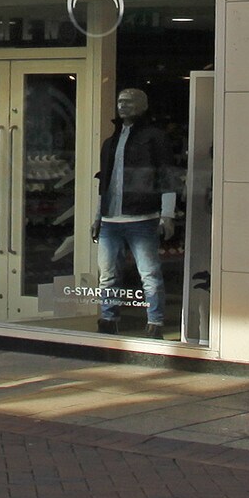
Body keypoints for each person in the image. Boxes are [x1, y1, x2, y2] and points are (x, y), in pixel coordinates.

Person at [91, 87, 176, 336]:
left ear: (143, 106)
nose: (123, 105)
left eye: (129, 101)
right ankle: (108, 318)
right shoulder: (111, 142)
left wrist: (167, 213)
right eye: (120, 101)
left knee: (149, 273)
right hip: (110, 218)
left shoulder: (154, 137)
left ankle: (155, 322)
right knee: (107, 274)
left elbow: (167, 175)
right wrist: (98, 216)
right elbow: (104, 181)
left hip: (142, 216)